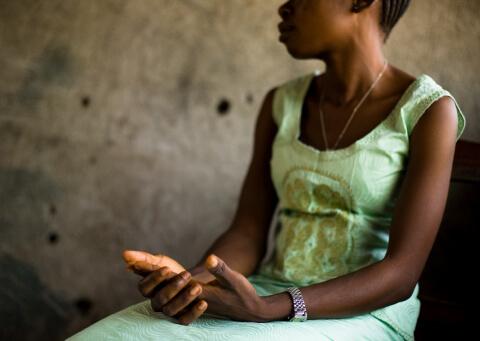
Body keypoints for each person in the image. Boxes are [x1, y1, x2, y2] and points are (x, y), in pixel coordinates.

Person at [67, 0, 466, 340]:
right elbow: (249, 231)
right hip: (266, 293)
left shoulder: (429, 111)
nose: (284, 6)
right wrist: (193, 283)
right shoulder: (283, 103)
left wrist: (269, 309)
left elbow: (401, 273)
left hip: (364, 313)